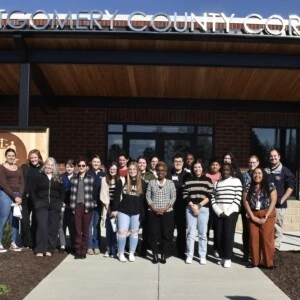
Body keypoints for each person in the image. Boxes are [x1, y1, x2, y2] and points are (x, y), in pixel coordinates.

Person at [112, 161, 146, 262]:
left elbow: (143, 200)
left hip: (136, 212)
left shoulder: (142, 183)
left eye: (134, 169)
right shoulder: (122, 180)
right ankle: (121, 252)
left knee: (134, 233)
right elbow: (116, 197)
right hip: (123, 211)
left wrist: (142, 212)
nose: (132, 171)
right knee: (122, 232)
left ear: (138, 170)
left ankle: (131, 252)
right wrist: (115, 209)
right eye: (130, 169)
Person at [243, 167, 277, 269]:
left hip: (267, 213)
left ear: (263, 174)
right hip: (253, 214)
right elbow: (245, 201)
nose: (257, 175)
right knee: (253, 239)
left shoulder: (269, 185)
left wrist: (265, 216)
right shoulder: (248, 185)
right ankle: (255, 262)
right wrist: (252, 216)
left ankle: (268, 263)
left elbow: (273, 201)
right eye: (255, 173)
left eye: (259, 173)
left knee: (267, 239)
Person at [30, 157, 65, 257]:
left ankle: (50, 248)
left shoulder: (58, 177)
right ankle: (40, 249)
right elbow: (32, 191)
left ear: (54, 167)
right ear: (45, 165)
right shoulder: (39, 176)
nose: (49, 167)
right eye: (48, 164)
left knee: (53, 227)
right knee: (42, 226)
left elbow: (62, 192)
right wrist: (36, 202)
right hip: (41, 205)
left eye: (51, 165)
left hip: (55, 206)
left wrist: (59, 202)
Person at [211, 163, 242, 268]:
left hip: (231, 213)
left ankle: (228, 258)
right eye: (223, 169)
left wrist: (228, 212)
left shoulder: (236, 181)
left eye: (227, 169)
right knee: (219, 236)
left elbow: (237, 197)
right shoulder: (217, 183)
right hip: (219, 213)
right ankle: (222, 257)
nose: (225, 171)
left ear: (231, 170)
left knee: (228, 235)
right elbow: (213, 198)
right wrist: (219, 212)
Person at [183, 159, 213, 265]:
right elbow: (185, 194)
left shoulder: (208, 180)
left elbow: (209, 195)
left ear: (202, 168)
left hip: (203, 209)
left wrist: (199, 206)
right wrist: (193, 206)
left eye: (199, 167)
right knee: (190, 233)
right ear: (192, 168)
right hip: (190, 208)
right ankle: (189, 255)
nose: (197, 169)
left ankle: (202, 256)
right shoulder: (188, 180)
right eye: (195, 167)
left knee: (202, 234)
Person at [146, 161, 176, 264]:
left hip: (167, 212)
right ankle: (154, 255)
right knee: (154, 235)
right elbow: (148, 196)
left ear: (166, 172)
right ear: (156, 171)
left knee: (166, 235)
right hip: (153, 212)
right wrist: (154, 208)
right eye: (158, 170)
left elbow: (173, 197)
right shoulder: (151, 182)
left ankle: (163, 254)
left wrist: (164, 209)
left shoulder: (170, 183)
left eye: (162, 170)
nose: (160, 172)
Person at [265, 149, 295, 250]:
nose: (273, 158)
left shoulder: (285, 171)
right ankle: (268, 245)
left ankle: (276, 247)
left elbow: (291, 187)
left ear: (279, 157)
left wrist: (283, 199)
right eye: (271, 156)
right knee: (268, 225)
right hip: (267, 204)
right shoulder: (266, 170)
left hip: (279, 204)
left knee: (277, 226)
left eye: (275, 156)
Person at [70, 158, 96, 259]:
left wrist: (93, 204)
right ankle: (77, 250)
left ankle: (83, 250)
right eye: (79, 166)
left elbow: (94, 193)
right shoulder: (73, 179)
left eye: (83, 166)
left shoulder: (91, 178)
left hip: (88, 206)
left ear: (86, 167)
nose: (81, 167)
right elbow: (71, 193)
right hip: (77, 206)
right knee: (77, 230)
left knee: (85, 231)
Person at [0, 148, 24, 252]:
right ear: (6, 156)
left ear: (15, 156)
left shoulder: (18, 168)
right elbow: (3, 184)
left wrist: (20, 196)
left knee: (15, 220)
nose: (11, 157)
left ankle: (13, 243)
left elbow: (22, 183)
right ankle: (0, 243)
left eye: (12, 155)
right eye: (9, 155)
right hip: (5, 194)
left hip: (17, 195)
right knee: (3, 219)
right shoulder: (2, 168)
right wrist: (15, 197)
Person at [167, 154, 189, 259]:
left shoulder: (187, 175)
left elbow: (187, 187)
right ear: (173, 162)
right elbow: (167, 186)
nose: (178, 163)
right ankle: (169, 251)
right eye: (176, 161)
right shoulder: (168, 173)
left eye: (180, 161)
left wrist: (175, 185)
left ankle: (181, 252)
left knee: (182, 231)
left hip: (183, 207)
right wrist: (181, 185)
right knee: (169, 230)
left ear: (183, 163)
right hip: (170, 207)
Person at [21, 149, 44, 249]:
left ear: (39, 158)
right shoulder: (25, 167)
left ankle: (33, 242)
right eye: (31, 157)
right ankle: (26, 241)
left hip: (37, 199)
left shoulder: (43, 169)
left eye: (35, 157)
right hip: (25, 199)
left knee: (35, 221)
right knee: (25, 221)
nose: (33, 159)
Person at [241, 155, 260, 261]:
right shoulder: (244, 176)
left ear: (258, 163)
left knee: (256, 231)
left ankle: (255, 253)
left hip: (258, 207)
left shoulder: (261, 174)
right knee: (247, 230)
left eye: (254, 162)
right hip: (247, 206)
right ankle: (246, 252)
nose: (252, 164)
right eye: (250, 162)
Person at [137, 155, 156, 256]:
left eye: (143, 163)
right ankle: (134, 247)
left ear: (146, 164)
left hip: (147, 205)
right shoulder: (134, 173)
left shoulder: (151, 175)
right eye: (140, 163)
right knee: (135, 227)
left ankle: (144, 249)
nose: (142, 164)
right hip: (136, 204)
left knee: (146, 229)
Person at [87, 155, 105, 255]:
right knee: (89, 225)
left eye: (98, 162)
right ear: (91, 162)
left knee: (96, 225)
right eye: (94, 161)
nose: (96, 163)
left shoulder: (103, 174)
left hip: (99, 203)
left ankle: (96, 245)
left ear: (100, 163)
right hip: (89, 203)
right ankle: (89, 246)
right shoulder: (88, 173)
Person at [100, 162, 119, 258]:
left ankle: (114, 250)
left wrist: (116, 210)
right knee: (108, 230)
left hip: (117, 210)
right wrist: (109, 210)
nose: (112, 171)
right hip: (107, 208)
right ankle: (107, 249)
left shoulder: (120, 180)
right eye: (111, 169)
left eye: (114, 169)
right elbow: (103, 195)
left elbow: (120, 196)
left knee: (115, 230)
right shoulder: (104, 180)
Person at [206, 156, 222, 257]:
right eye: (213, 165)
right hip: (207, 205)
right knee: (205, 227)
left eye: (216, 164)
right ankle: (205, 246)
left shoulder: (222, 176)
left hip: (218, 205)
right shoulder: (206, 176)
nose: (214, 166)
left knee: (217, 228)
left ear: (219, 166)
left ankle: (216, 248)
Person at [61, 159, 76, 253]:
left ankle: (73, 245)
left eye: (71, 166)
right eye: (67, 166)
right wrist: (62, 202)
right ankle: (63, 245)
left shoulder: (77, 177)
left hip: (73, 206)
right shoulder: (61, 177)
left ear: (74, 168)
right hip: (63, 205)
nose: (69, 168)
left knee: (72, 226)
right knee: (62, 225)